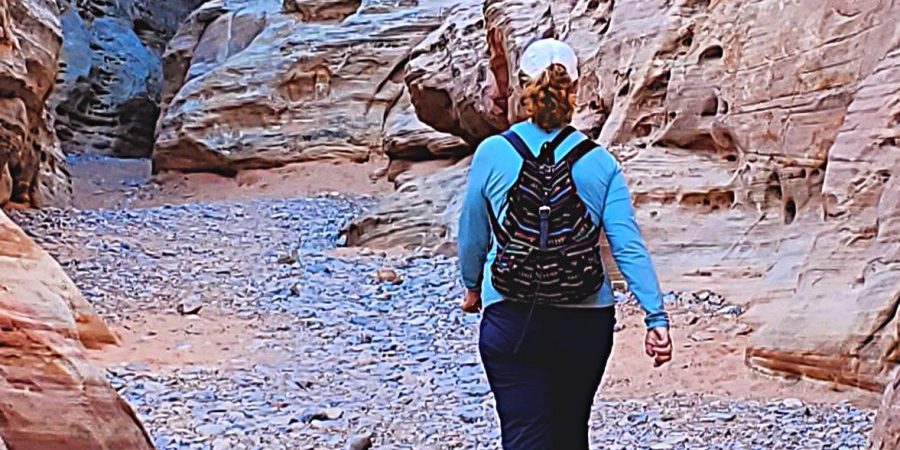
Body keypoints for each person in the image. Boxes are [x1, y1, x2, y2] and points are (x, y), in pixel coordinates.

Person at [457, 38, 673, 450]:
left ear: (522, 88)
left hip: (512, 316)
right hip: (585, 322)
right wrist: (655, 317)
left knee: (524, 434)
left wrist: (471, 287)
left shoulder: (492, 153)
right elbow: (627, 246)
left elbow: (472, 232)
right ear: (574, 91)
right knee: (571, 433)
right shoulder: (600, 162)